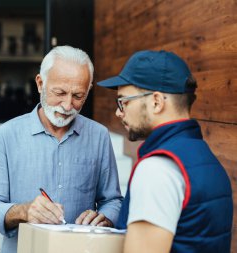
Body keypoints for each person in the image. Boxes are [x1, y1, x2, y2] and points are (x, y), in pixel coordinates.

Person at [0, 45, 123, 253]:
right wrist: (24, 211)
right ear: (40, 84)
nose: (67, 105)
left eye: (78, 96)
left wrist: (105, 218)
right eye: (60, 93)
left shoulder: (99, 136)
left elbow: (113, 201)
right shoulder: (6, 135)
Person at [98, 50, 233, 253]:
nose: (118, 112)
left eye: (124, 101)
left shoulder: (157, 169)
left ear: (156, 102)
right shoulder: (208, 160)